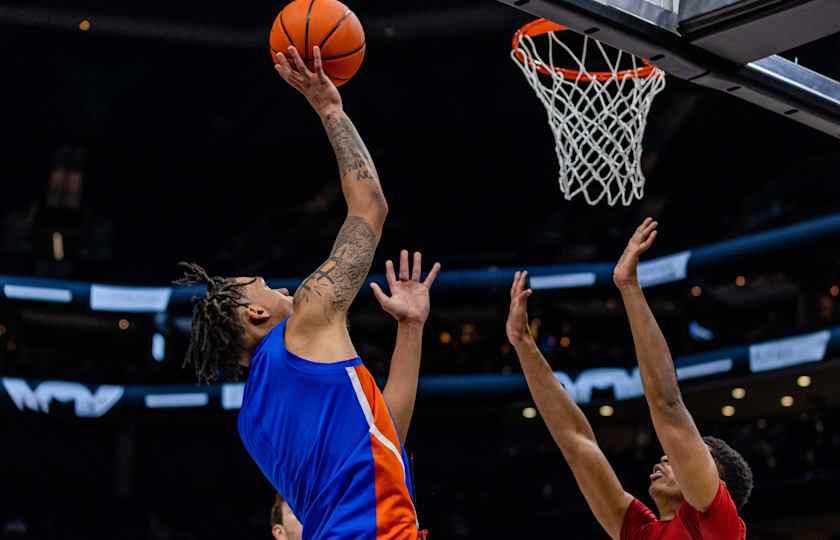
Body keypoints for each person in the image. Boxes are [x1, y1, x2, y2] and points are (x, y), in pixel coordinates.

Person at [175, 45, 439, 539]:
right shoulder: (307, 320)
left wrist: (411, 329)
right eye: (265, 286)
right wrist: (330, 108)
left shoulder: (253, 422)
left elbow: (383, 437)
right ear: (255, 313)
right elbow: (370, 208)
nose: (281, 287)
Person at [505, 218, 753, 540]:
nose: (668, 454)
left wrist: (629, 287)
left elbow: (667, 405)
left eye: (693, 453)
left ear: (719, 485)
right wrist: (523, 344)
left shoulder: (718, 527)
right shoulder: (641, 530)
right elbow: (577, 443)